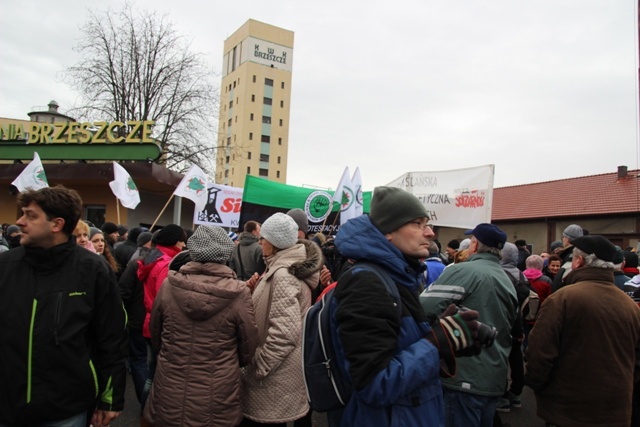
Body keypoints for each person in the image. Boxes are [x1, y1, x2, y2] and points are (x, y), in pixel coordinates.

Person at [331, 187, 482, 427]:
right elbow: (374, 385)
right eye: (418, 224)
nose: (430, 233)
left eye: (428, 224)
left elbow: (401, 346)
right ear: (388, 231)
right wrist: (436, 343)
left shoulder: (399, 276)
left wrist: (447, 337)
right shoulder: (367, 283)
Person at [0, 186, 127, 427]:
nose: (19, 221)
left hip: (65, 410)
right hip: (6, 409)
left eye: (30, 215)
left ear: (56, 224)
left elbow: (112, 339)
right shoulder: (5, 266)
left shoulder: (92, 270)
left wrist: (110, 399)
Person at [144, 225, 259, 427]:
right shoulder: (239, 292)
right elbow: (248, 347)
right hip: (218, 388)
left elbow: (156, 334)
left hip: (171, 381)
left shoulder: (170, 285)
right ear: (226, 253)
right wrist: (226, 362)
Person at [525, 235, 640, 427]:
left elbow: (540, 352)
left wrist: (538, 385)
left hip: (569, 409)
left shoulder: (563, 298)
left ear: (579, 261)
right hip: (615, 409)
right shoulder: (629, 305)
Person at [421, 223, 518, 427]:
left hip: (463, 377)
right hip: (493, 377)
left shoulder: (464, 271)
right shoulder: (507, 278)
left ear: (474, 245)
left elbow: (423, 309)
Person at [240, 213, 323, 426]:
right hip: (276, 374)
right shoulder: (277, 268)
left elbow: (284, 334)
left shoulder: (284, 275)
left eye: (263, 238)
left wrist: (259, 366)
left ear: (275, 243)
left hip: (272, 377)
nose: (259, 242)